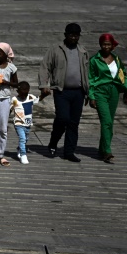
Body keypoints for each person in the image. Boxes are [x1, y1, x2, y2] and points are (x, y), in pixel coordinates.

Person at [38, 23, 89, 163]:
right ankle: (54, 141)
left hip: (79, 92)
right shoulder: (56, 49)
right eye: (71, 34)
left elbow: (87, 73)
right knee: (62, 118)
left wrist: (89, 92)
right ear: (65, 35)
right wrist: (44, 85)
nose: (74, 37)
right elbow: (45, 67)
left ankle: (69, 152)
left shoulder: (83, 51)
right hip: (61, 91)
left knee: (74, 123)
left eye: (76, 35)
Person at [88, 33, 127, 163]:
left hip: (114, 91)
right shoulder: (95, 60)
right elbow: (91, 79)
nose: (106, 47)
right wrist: (91, 96)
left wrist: (126, 90)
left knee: (110, 121)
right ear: (100, 45)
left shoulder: (117, 59)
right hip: (100, 91)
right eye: (104, 44)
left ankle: (102, 149)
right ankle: (107, 151)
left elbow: (123, 74)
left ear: (112, 46)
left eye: (108, 44)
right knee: (106, 121)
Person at [11, 82, 38, 165]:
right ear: (18, 91)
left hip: (28, 123)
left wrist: (45, 94)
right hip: (18, 123)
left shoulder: (30, 97)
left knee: (26, 139)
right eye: (21, 94)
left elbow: (38, 99)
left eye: (25, 94)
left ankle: (19, 148)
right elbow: (10, 108)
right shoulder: (15, 100)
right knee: (22, 139)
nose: (23, 96)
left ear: (28, 91)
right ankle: (23, 155)